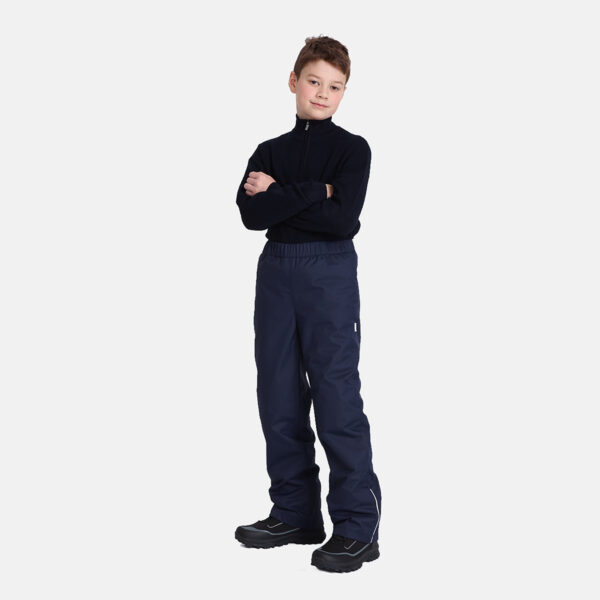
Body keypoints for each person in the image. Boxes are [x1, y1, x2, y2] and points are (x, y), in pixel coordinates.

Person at [234, 35, 382, 573]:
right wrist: (317, 190)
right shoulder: (268, 151)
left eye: (335, 87)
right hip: (276, 272)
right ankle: (295, 513)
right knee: (277, 394)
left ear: (344, 92)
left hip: (328, 274)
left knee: (336, 394)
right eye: (314, 81)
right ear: (294, 81)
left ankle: (357, 528)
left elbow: (341, 221)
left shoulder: (352, 150)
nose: (323, 93)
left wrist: (280, 194)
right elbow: (251, 216)